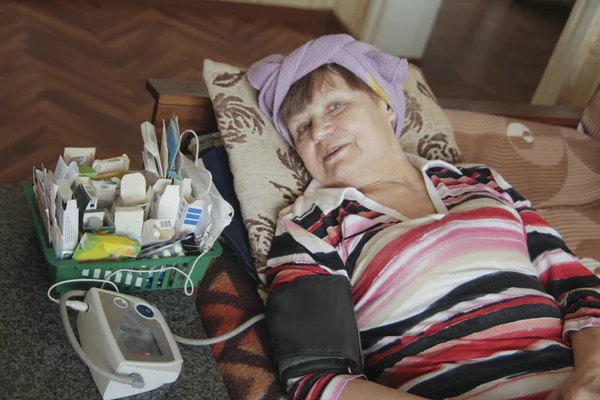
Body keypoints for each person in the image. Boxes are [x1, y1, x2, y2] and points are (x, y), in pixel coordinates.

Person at [247, 34, 600, 400]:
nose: (319, 131)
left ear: (385, 105)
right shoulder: (312, 226)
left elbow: (577, 286)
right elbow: (316, 380)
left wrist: (589, 377)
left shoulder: (481, 180)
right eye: (302, 127)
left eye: (335, 106)